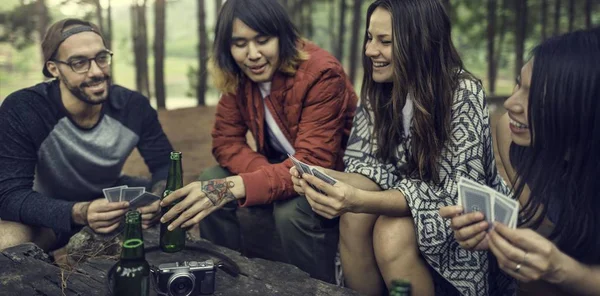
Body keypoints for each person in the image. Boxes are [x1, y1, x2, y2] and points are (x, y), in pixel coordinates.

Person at [291, 0, 514, 295]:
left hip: (463, 225)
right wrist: (325, 177)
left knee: (391, 233)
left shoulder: (462, 93)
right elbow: (369, 166)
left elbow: (454, 196)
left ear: (420, 43)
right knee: (354, 219)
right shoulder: (379, 88)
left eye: (385, 41)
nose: (370, 50)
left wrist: (357, 199)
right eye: (370, 38)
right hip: (408, 200)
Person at [159, 0, 357, 283]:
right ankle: (227, 275)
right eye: (240, 43)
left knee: (291, 212)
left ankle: (317, 286)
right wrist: (261, 174)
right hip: (281, 168)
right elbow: (226, 141)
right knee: (210, 177)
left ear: (283, 37)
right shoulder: (238, 75)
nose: (252, 55)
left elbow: (315, 162)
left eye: (263, 40)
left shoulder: (321, 72)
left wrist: (237, 185)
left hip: (330, 177)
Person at [440, 27, 600, 295]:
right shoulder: (512, 137)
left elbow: (559, 262)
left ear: (584, 109)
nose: (512, 103)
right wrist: (493, 234)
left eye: (538, 97)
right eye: (519, 84)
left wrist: (561, 269)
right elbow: (546, 229)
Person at [0, 18, 172, 252]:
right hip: (46, 215)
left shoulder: (134, 107)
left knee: (181, 206)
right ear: (54, 69)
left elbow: (166, 164)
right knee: (7, 241)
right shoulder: (25, 108)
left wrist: (156, 200)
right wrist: (79, 212)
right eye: (79, 62)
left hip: (112, 206)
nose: (96, 72)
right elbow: (9, 195)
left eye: (102, 58)